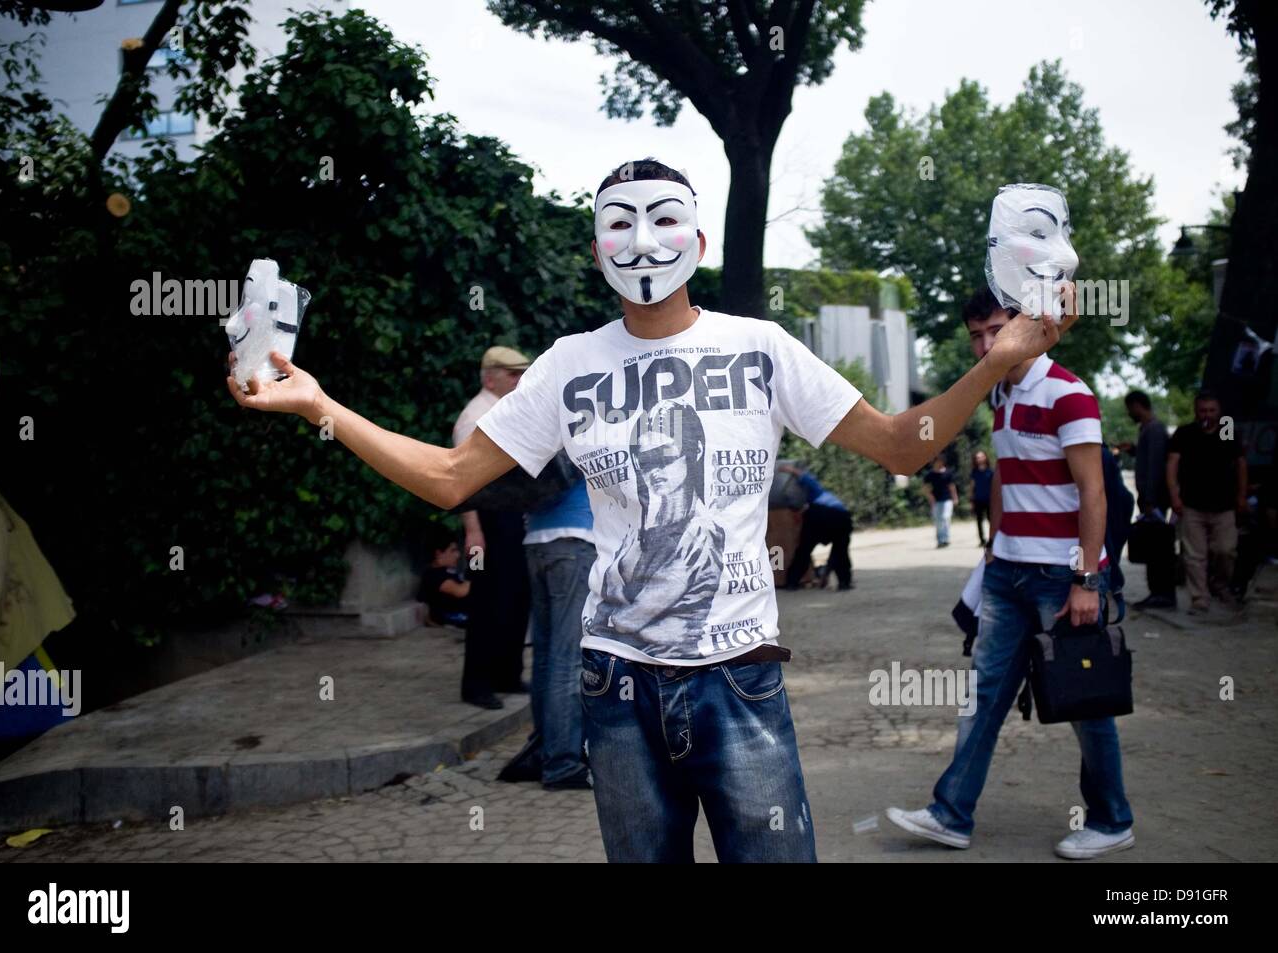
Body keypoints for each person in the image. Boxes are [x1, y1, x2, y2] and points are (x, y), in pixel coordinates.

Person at [227, 159, 1075, 863]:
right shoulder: (566, 365)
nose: (642, 242)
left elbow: (899, 443)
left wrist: (995, 365)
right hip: (616, 686)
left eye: (664, 220)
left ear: (699, 241)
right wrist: (320, 407)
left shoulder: (760, 347)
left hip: (739, 679)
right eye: (619, 224)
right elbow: (453, 475)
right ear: (596, 247)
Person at [888, 285, 1134, 861]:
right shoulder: (999, 393)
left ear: (1024, 324)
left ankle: (1111, 819)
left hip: (1059, 576)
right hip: (1007, 574)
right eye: (976, 335)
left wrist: (1087, 581)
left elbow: (1093, 495)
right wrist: (994, 549)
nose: (985, 345)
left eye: (995, 330)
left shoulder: (1068, 394)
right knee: (984, 697)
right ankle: (950, 814)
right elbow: (1004, 478)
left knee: (1085, 700)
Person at [453, 345, 532, 710]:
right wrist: (473, 531)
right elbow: (462, 481)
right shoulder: (475, 417)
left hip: (510, 519)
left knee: (515, 598)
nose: (519, 379)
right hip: (486, 523)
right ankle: (477, 684)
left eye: (521, 372)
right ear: (490, 377)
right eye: (512, 373)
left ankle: (506, 674)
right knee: (487, 602)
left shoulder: (504, 410)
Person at [524, 467, 596, 790]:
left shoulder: (535, 420)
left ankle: (544, 748)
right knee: (569, 658)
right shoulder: (581, 417)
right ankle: (562, 762)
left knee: (545, 655)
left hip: (536, 539)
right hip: (576, 537)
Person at [1167, 390, 1248, 615]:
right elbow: (1172, 464)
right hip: (1192, 504)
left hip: (1224, 505)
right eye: (1203, 410)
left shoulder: (1226, 430)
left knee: (1226, 550)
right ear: (1196, 411)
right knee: (1194, 555)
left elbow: (1240, 463)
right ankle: (1199, 598)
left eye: (1212, 410)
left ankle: (1220, 585)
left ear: (1219, 411)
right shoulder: (1185, 434)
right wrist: (1174, 495)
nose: (1208, 414)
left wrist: (1241, 495)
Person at [1123, 390, 1175, 610]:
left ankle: (1162, 593)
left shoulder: (1153, 429)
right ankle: (1158, 592)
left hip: (1154, 501)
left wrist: (1150, 499)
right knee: (1155, 547)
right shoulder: (1150, 429)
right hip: (1152, 499)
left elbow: (1155, 466)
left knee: (1158, 548)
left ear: (1137, 406)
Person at [779, 464, 852, 590]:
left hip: (820, 513)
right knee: (840, 552)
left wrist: (790, 469)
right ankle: (844, 583)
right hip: (842, 517)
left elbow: (807, 479)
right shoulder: (826, 497)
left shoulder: (817, 492)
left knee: (804, 550)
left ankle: (792, 582)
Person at [418, 531, 469, 628]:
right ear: (438, 554)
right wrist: (476, 563)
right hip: (453, 617)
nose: (458, 555)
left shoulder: (447, 570)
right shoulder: (433, 576)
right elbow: (461, 591)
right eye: (453, 550)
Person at [922, 454, 958, 548]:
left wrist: (955, 497)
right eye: (937, 461)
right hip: (936, 500)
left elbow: (952, 486)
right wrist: (930, 497)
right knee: (938, 521)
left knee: (946, 518)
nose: (939, 463)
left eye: (941, 461)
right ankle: (940, 540)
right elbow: (925, 488)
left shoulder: (948, 473)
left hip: (947, 499)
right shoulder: (929, 475)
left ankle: (945, 539)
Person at [970, 450, 994, 546]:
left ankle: (992, 539)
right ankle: (982, 540)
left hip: (989, 499)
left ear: (985, 458)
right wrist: (971, 500)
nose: (979, 459)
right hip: (978, 499)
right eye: (977, 457)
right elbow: (972, 487)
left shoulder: (991, 471)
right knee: (979, 520)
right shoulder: (974, 472)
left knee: (991, 520)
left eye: (980, 457)